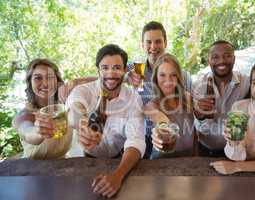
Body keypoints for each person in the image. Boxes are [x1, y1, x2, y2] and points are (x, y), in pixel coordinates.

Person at [67, 44, 145, 198]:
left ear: (124, 71)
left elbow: (136, 141)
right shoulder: (84, 90)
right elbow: (74, 109)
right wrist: (83, 126)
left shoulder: (134, 98)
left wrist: (118, 175)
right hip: (83, 160)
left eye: (117, 67)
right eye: (105, 68)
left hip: (119, 161)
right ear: (98, 70)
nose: (111, 73)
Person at [127, 21, 192, 158]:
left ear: (165, 43)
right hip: (145, 135)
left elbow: (190, 111)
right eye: (148, 42)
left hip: (175, 138)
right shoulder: (137, 69)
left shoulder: (183, 74)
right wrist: (75, 82)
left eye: (158, 42)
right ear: (142, 44)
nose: (153, 46)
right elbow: (109, 74)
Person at [12, 58, 96, 159]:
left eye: (50, 77)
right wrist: (39, 131)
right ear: (30, 82)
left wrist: (76, 82)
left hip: (63, 167)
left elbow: (103, 81)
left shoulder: (64, 106)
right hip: (32, 170)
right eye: (38, 78)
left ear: (57, 80)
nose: (46, 83)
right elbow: (27, 132)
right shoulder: (25, 115)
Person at [193, 40, 250, 157]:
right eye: (215, 57)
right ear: (209, 60)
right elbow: (202, 129)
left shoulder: (246, 82)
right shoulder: (198, 85)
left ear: (234, 58)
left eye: (227, 56)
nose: (221, 61)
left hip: (237, 149)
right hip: (206, 151)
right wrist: (201, 116)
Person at [144, 53, 196, 159]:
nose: (168, 80)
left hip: (188, 158)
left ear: (178, 77)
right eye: (162, 75)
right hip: (162, 159)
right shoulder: (151, 105)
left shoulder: (188, 98)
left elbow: (195, 132)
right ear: (156, 78)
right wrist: (163, 130)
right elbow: (162, 121)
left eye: (173, 75)